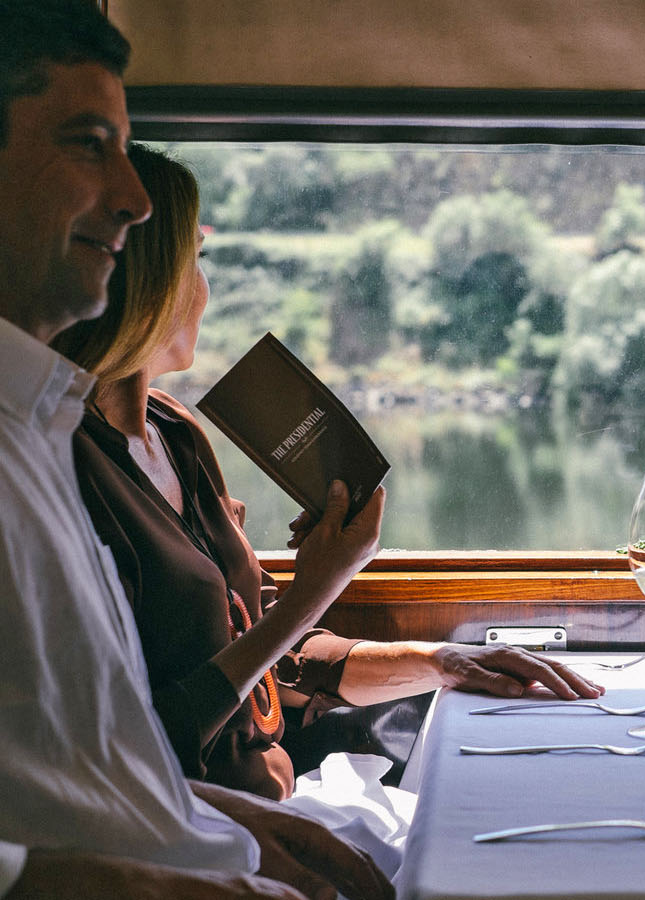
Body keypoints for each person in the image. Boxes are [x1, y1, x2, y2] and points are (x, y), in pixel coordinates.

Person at [50, 142, 605, 850]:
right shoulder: (66, 466)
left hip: (282, 796)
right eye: (195, 260)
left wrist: (440, 662)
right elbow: (141, 741)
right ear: (150, 279)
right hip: (199, 832)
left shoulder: (176, 433)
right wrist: (316, 590)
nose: (205, 288)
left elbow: (268, 650)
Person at [0, 2, 392, 897]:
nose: (132, 200)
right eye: (87, 144)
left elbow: (106, 755)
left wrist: (236, 824)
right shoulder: (66, 451)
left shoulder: (72, 428)